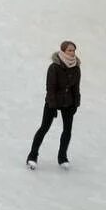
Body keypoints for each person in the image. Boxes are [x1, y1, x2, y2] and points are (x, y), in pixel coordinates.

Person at [26, 41, 82, 170]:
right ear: (63, 51)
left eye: (73, 50)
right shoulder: (54, 67)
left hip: (68, 103)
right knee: (44, 127)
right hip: (53, 102)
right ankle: (32, 156)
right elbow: (50, 88)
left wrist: (76, 103)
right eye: (69, 50)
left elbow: (76, 88)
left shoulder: (76, 67)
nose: (72, 53)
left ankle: (62, 157)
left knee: (67, 130)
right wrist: (52, 105)